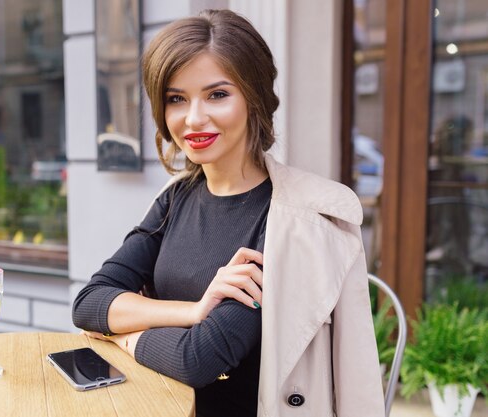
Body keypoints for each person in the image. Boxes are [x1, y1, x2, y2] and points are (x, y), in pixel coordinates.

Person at [73, 9, 385, 417]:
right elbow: (90, 303)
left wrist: (118, 337)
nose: (194, 118)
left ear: (253, 98)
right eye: (176, 99)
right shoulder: (175, 198)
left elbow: (197, 359)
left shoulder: (291, 219)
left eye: (217, 94)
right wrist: (194, 310)